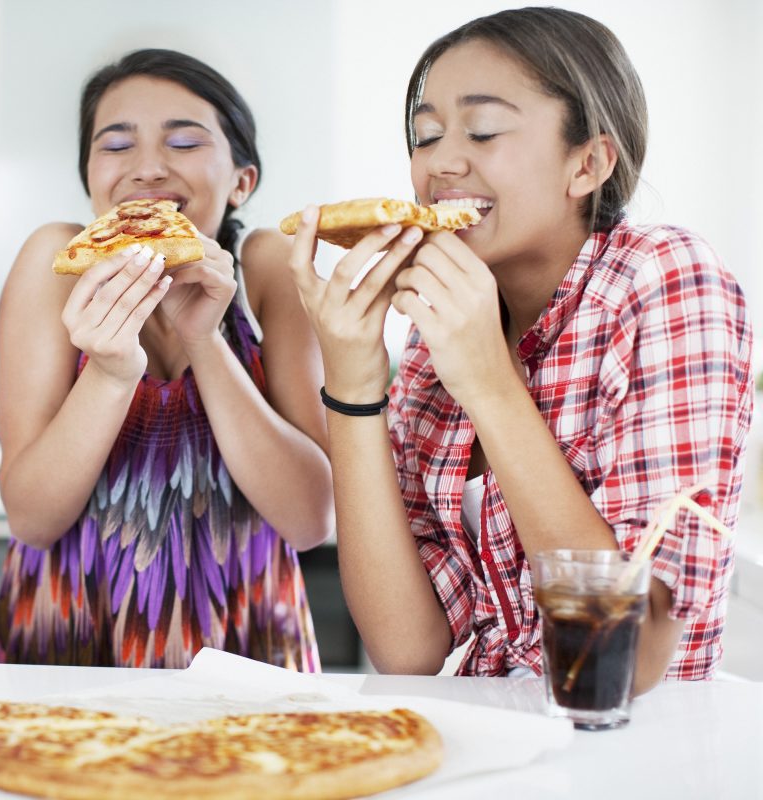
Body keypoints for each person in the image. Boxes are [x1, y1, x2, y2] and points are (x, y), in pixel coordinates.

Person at [288, 7, 751, 689]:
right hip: (493, 732)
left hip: (634, 749)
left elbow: (632, 655)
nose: (442, 161)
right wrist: (353, 386)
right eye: (425, 135)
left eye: (482, 129)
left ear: (588, 163)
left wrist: (490, 383)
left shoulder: (663, 277)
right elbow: (406, 648)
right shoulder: (435, 328)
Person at [0, 49, 332, 670]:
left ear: (241, 181)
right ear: (92, 181)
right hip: (69, 650)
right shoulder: (55, 263)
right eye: (116, 146)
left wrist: (204, 339)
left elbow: (312, 519)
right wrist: (113, 372)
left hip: (246, 655)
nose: (147, 168)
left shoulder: (269, 267)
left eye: (183, 142)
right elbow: (32, 518)